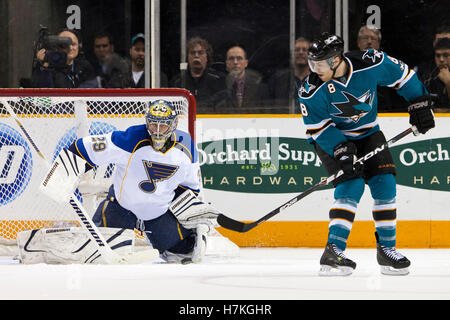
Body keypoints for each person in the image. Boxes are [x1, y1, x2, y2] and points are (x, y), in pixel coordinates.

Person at [299, 33, 435, 276]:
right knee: (351, 186)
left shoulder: (370, 63)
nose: (314, 70)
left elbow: (403, 76)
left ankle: (387, 250)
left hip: (368, 134)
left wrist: (419, 103)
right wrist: (341, 150)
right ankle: (333, 251)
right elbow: (318, 128)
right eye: (312, 64)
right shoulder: (310, 89)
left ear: (335, 60)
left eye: (319, 64)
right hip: (331, 139)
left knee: (386, 184)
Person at [39, 100, 220, 264]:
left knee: (184, 252)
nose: (156, 130)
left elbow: (188, 188)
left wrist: (195, 220)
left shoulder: (186, 147)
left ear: (173, 125)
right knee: (95, 253)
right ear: (146, 121)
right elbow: (82, 147)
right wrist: (62, 174)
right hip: (121, 208)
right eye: (153, 124)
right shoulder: (130, 139)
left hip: (159, 214)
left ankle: (170, 237)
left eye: (162, 126)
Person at [356, 25, 408, 112]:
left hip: (385, 115)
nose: (369, 42)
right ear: (358, 42)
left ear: (378, 44)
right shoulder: (347, 65)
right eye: (365, 38)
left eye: (373, 39)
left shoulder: (390, 66)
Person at [170, 37, 226, 113]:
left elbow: (221, 108)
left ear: (207, 57)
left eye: (200, 53)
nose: (196, 56)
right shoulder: (177, 81)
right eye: (192, 53)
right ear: (188, 57)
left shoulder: (218, 80)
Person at [32, 29, 96, 88]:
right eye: (65, 45)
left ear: (79, 46)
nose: (70, 48)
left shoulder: (84, 66)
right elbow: (43, 93)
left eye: (73, 44)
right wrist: (44, 66)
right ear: (56, 47)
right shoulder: (48, 67)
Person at [268, 37, 311, 112]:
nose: (300, 52)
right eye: (297, 50)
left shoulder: (317, 80)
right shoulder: (278, 80)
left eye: (304, 50)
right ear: (292, 54)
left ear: (310, 55)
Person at [418, 38, 450, 111]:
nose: (441, 59)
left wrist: (448, 82)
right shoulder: (427, 75)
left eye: (446, 55)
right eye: (438, 56)